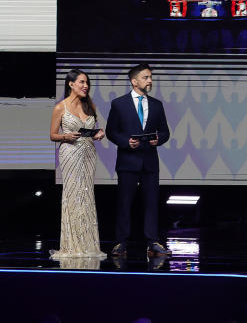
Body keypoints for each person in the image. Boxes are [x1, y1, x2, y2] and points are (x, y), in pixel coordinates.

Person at [105, 63, 171, 257]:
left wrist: (159, 139)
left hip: (150, 161)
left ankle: (153, 242)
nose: (150, 80)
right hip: (127, 161)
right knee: (124, 203)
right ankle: (121, 242)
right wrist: (126, 142)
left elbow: (165, 131)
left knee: (151, 203)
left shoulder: (157, 105)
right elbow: (111, 131)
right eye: (146, 77)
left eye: (150, 77)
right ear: (134, 81)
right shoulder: (119, 104)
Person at [49, 69, 106, 262]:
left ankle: (88, 243)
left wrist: (98, 134)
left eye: (87, 83)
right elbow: (52, 135)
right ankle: (72, 244)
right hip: (70, 152)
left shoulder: (89, 105)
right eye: (82, 82)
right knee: (73, 195)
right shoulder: (60, 107)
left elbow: (91, 130)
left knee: (86, 194)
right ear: (71, 84)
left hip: (89, 152)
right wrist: (65, 136)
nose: (85, 86)